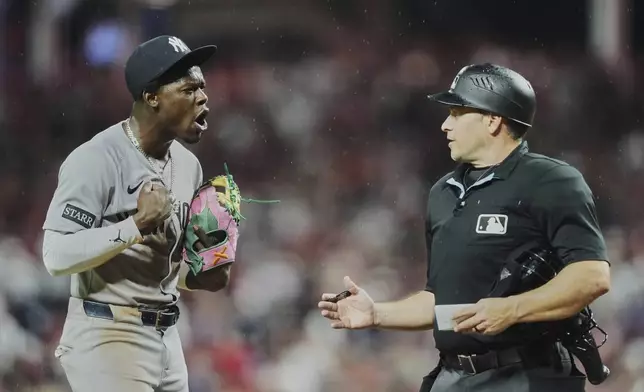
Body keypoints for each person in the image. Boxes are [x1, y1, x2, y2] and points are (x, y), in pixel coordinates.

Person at [318, 63, 611, 391]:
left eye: (457, 113)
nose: (445, 124)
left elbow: (592, 276)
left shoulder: (550, 181)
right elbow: (439, 302)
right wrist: (376, 315)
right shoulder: (443, 193)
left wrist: (513, 308)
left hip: (526, 374)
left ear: (492, 119)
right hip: (455, 377)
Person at [42, 35, 229, 392]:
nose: (203, 97)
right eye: (189, 89)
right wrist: (136, 224)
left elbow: (164, 269)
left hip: (167, 339)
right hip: (107, 332)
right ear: (152, 96)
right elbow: (55, 255)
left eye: (202, 87)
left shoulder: (188, 165)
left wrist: (210, 268)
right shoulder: (96, 159)